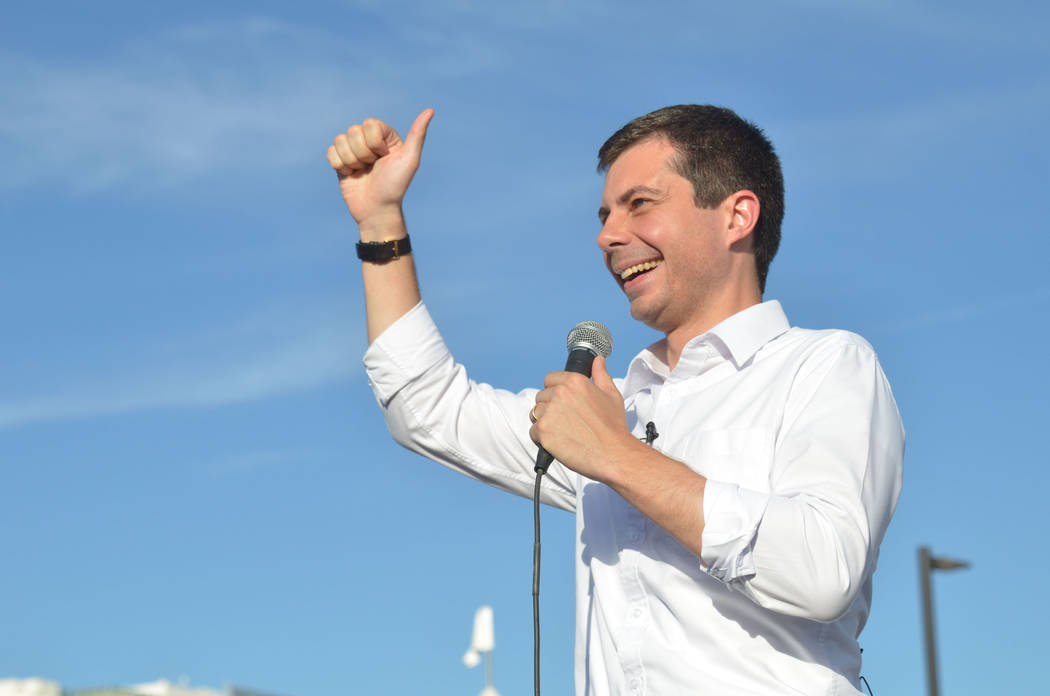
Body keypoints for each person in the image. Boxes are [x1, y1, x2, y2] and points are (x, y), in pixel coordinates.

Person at [327, 105, 904, 696]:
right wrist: (379, 222)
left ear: (737, 216)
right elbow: (426, 406)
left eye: (641, 204)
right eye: (605, 214)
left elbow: (823, 570)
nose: (607, 235)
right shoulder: (611, 407)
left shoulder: (824, 365)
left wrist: (615, 456)